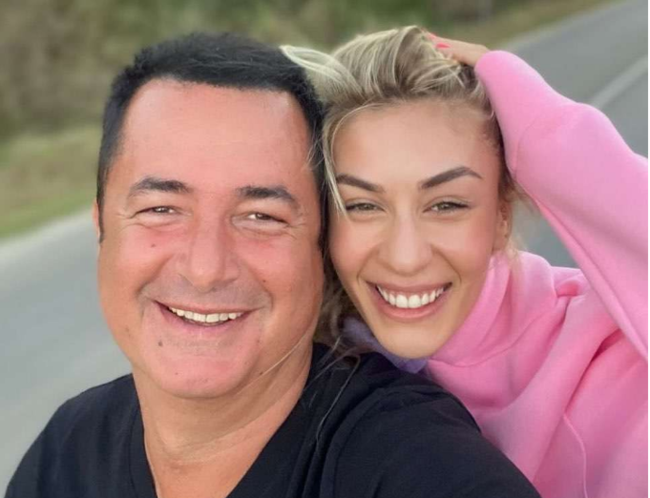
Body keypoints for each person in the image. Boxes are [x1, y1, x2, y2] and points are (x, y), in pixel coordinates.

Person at [5, 32, 541, 498]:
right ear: (101, 224)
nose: (205, 268)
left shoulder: (418, 464)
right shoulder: (66, 453)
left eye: (261, 216)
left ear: (321, 247)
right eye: (161, 209)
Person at [284, 26, 648, 498]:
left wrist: (545, 136)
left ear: (501, 216)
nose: (406, 257)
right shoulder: (315, 375)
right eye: (362, 206)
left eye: (446, 205)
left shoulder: (614, 349)